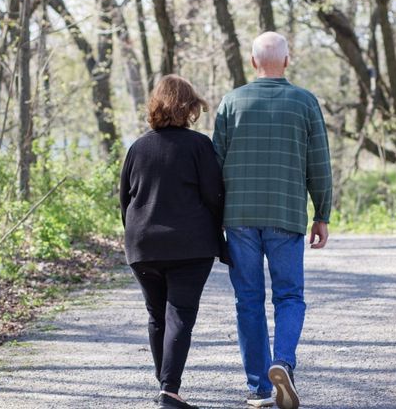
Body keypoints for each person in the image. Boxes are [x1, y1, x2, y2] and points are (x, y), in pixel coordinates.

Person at [213, 32, 332, 409]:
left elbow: (214, 166)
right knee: (289, 295)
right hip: (286, 214)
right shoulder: (305, 102)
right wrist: (322, 214)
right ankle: (282, 362)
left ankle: (259, 386)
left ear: (252, 62)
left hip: (240, 218)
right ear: (287, 60)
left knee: (248, 300)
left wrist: (214, 217)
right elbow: (320, 165)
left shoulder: (232, 102)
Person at [120, 75, 224, 409]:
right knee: (180, 313)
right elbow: (214, 195)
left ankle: (166, 386)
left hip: (143, 245)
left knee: (156, 315)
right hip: (189, 246)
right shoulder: (199, 146)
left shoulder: (137, 148)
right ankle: (169, 390)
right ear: (190, 107)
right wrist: (221, 235)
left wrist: (137, 233)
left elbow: (124, 199)